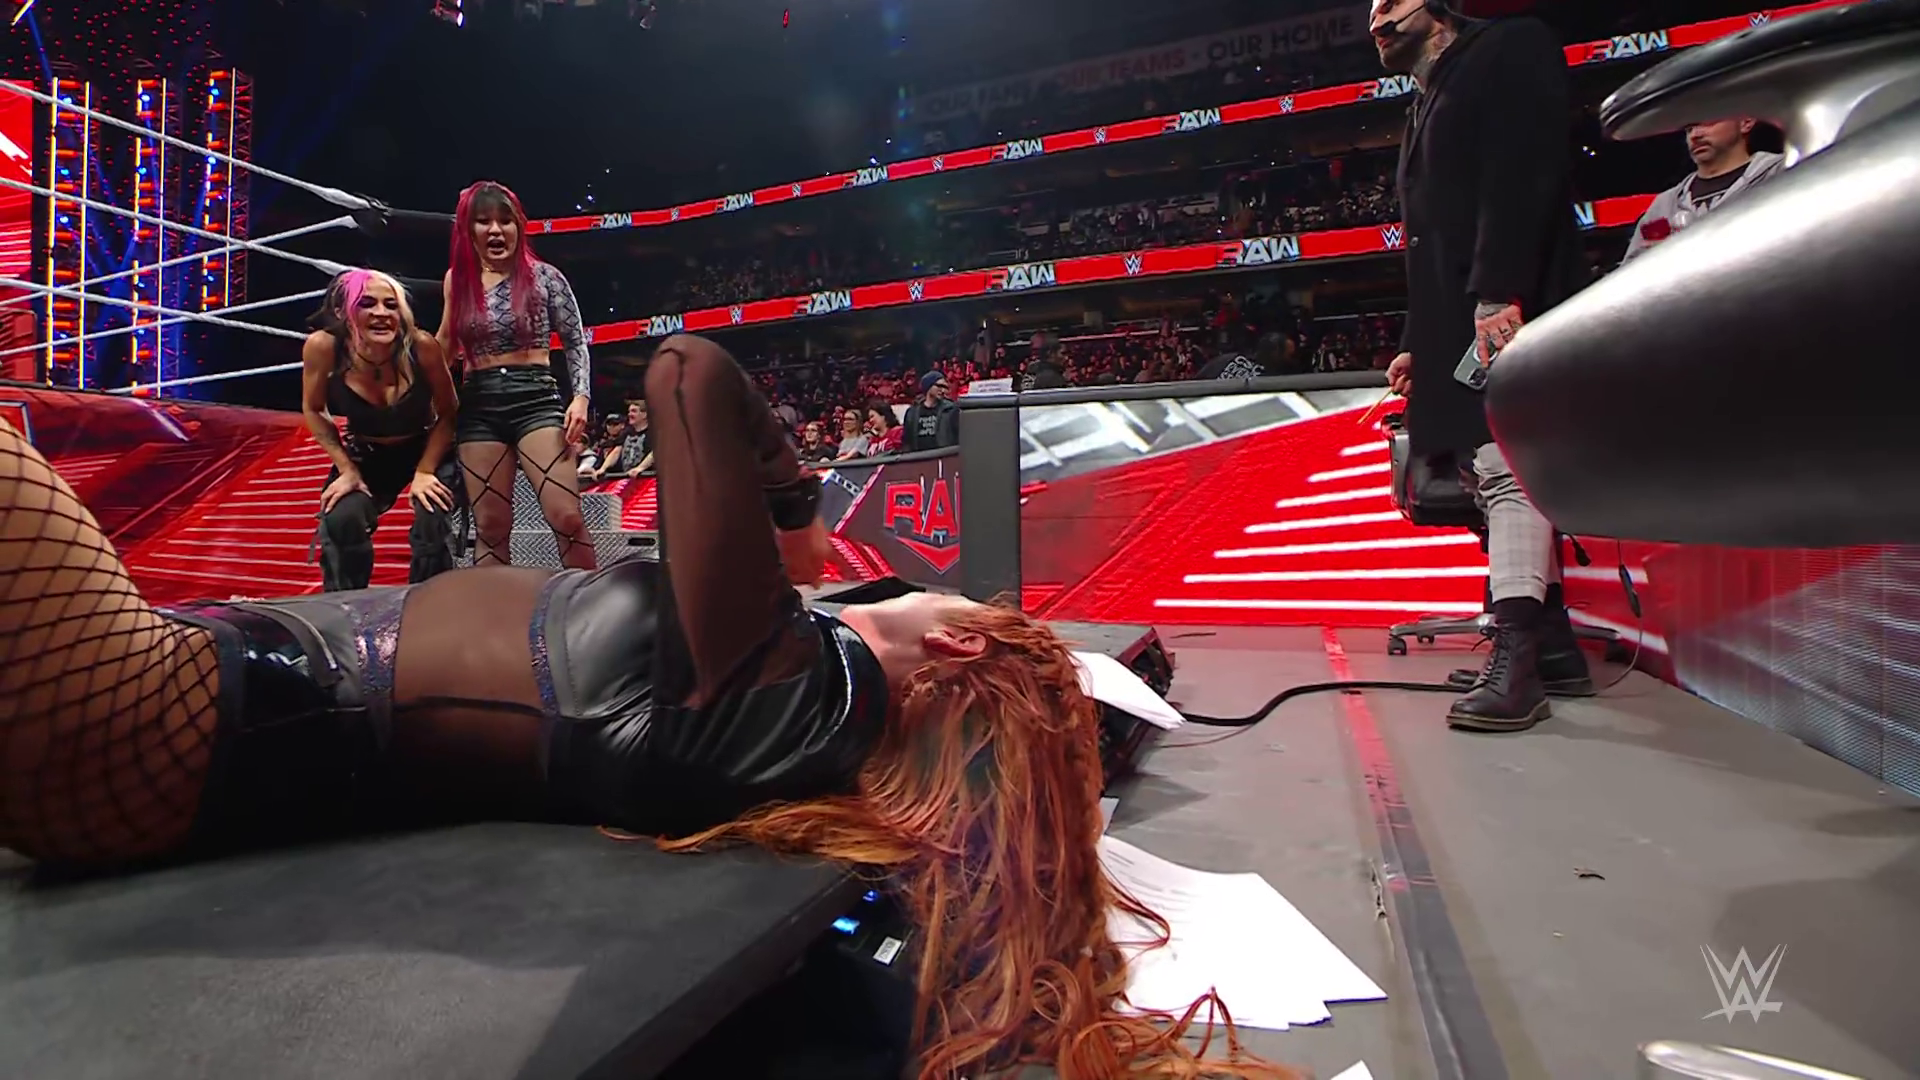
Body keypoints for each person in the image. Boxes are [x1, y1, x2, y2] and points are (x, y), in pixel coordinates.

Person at [0, 333, 1290, 1080]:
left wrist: (793, 505)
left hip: (163, 711)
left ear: (953, 645)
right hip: (202, 696)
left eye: (953, 599)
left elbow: (687, 375)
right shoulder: (795, 708)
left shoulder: (800, 691)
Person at [1370, 0, 1595, 732]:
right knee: (1478, 473)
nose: (1374, 19)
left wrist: (1501, 290)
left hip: (1507, 302)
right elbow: (1430, 238)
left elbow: (1521, 174)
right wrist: (1418, 340)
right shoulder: (1425, 98)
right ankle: (1552, 649)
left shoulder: (1508, 48)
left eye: (1388, 2)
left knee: (1506, 467)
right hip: (1456, 318)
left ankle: (1518, 661)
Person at [438, 180, 598, 571]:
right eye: (484, 221)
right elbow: (444, 345)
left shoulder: (546, 277)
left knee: (566, 515)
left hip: (535, 398)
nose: (495, 230)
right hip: (479, 403)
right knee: (490, 527)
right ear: (469, 230)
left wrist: (581, 397)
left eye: (504, 221)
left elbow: (575, 341)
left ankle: (593, 602)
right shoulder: (458, 280)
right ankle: (496, 608)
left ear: (518, 226)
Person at [300, 269, 462, 592]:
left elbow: (449, 412)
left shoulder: (421, 346)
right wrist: (346, 468)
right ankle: (346, 607)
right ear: (341, 312)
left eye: (391, 305)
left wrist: (426, 470)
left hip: (424, 444)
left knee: (432, 513)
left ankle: (429, 605)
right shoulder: (324, 347)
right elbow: (314, 409)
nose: (381, 313)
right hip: (368, 451)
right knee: (341, 517)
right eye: (367, 303)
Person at [1620, 118, 1783, 264]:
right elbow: (1632, 272)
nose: (1695, 135)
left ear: (1745, 122)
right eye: (1689, 128)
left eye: (1707, 122)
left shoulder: (1781, 174)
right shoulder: (1665, 205)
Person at [587, 399, 652, 483]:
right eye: (629, 411)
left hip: (647, 480)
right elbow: (616, 452)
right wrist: (603, 468)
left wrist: (640, 468)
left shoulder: (653, 433)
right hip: (628, 479)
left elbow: (655, 453)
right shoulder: (626, 433)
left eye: (634, 411)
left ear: (644, 415)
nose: (629, 414)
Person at [900, 371, 959, 451]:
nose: (942, 390)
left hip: (943, 455)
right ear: (929, 386)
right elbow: (907, 440)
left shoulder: (951, 410)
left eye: (945, 387)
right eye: (939, 386)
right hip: (919, 455)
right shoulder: (912, 412)